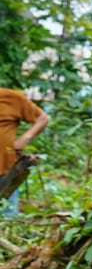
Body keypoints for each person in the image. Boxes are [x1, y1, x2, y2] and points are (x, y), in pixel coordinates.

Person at [0, 88, 49, 216]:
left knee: (7, 219)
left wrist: (24, 139)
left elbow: (42, 118)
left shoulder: (11, 98)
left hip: (5, 169)